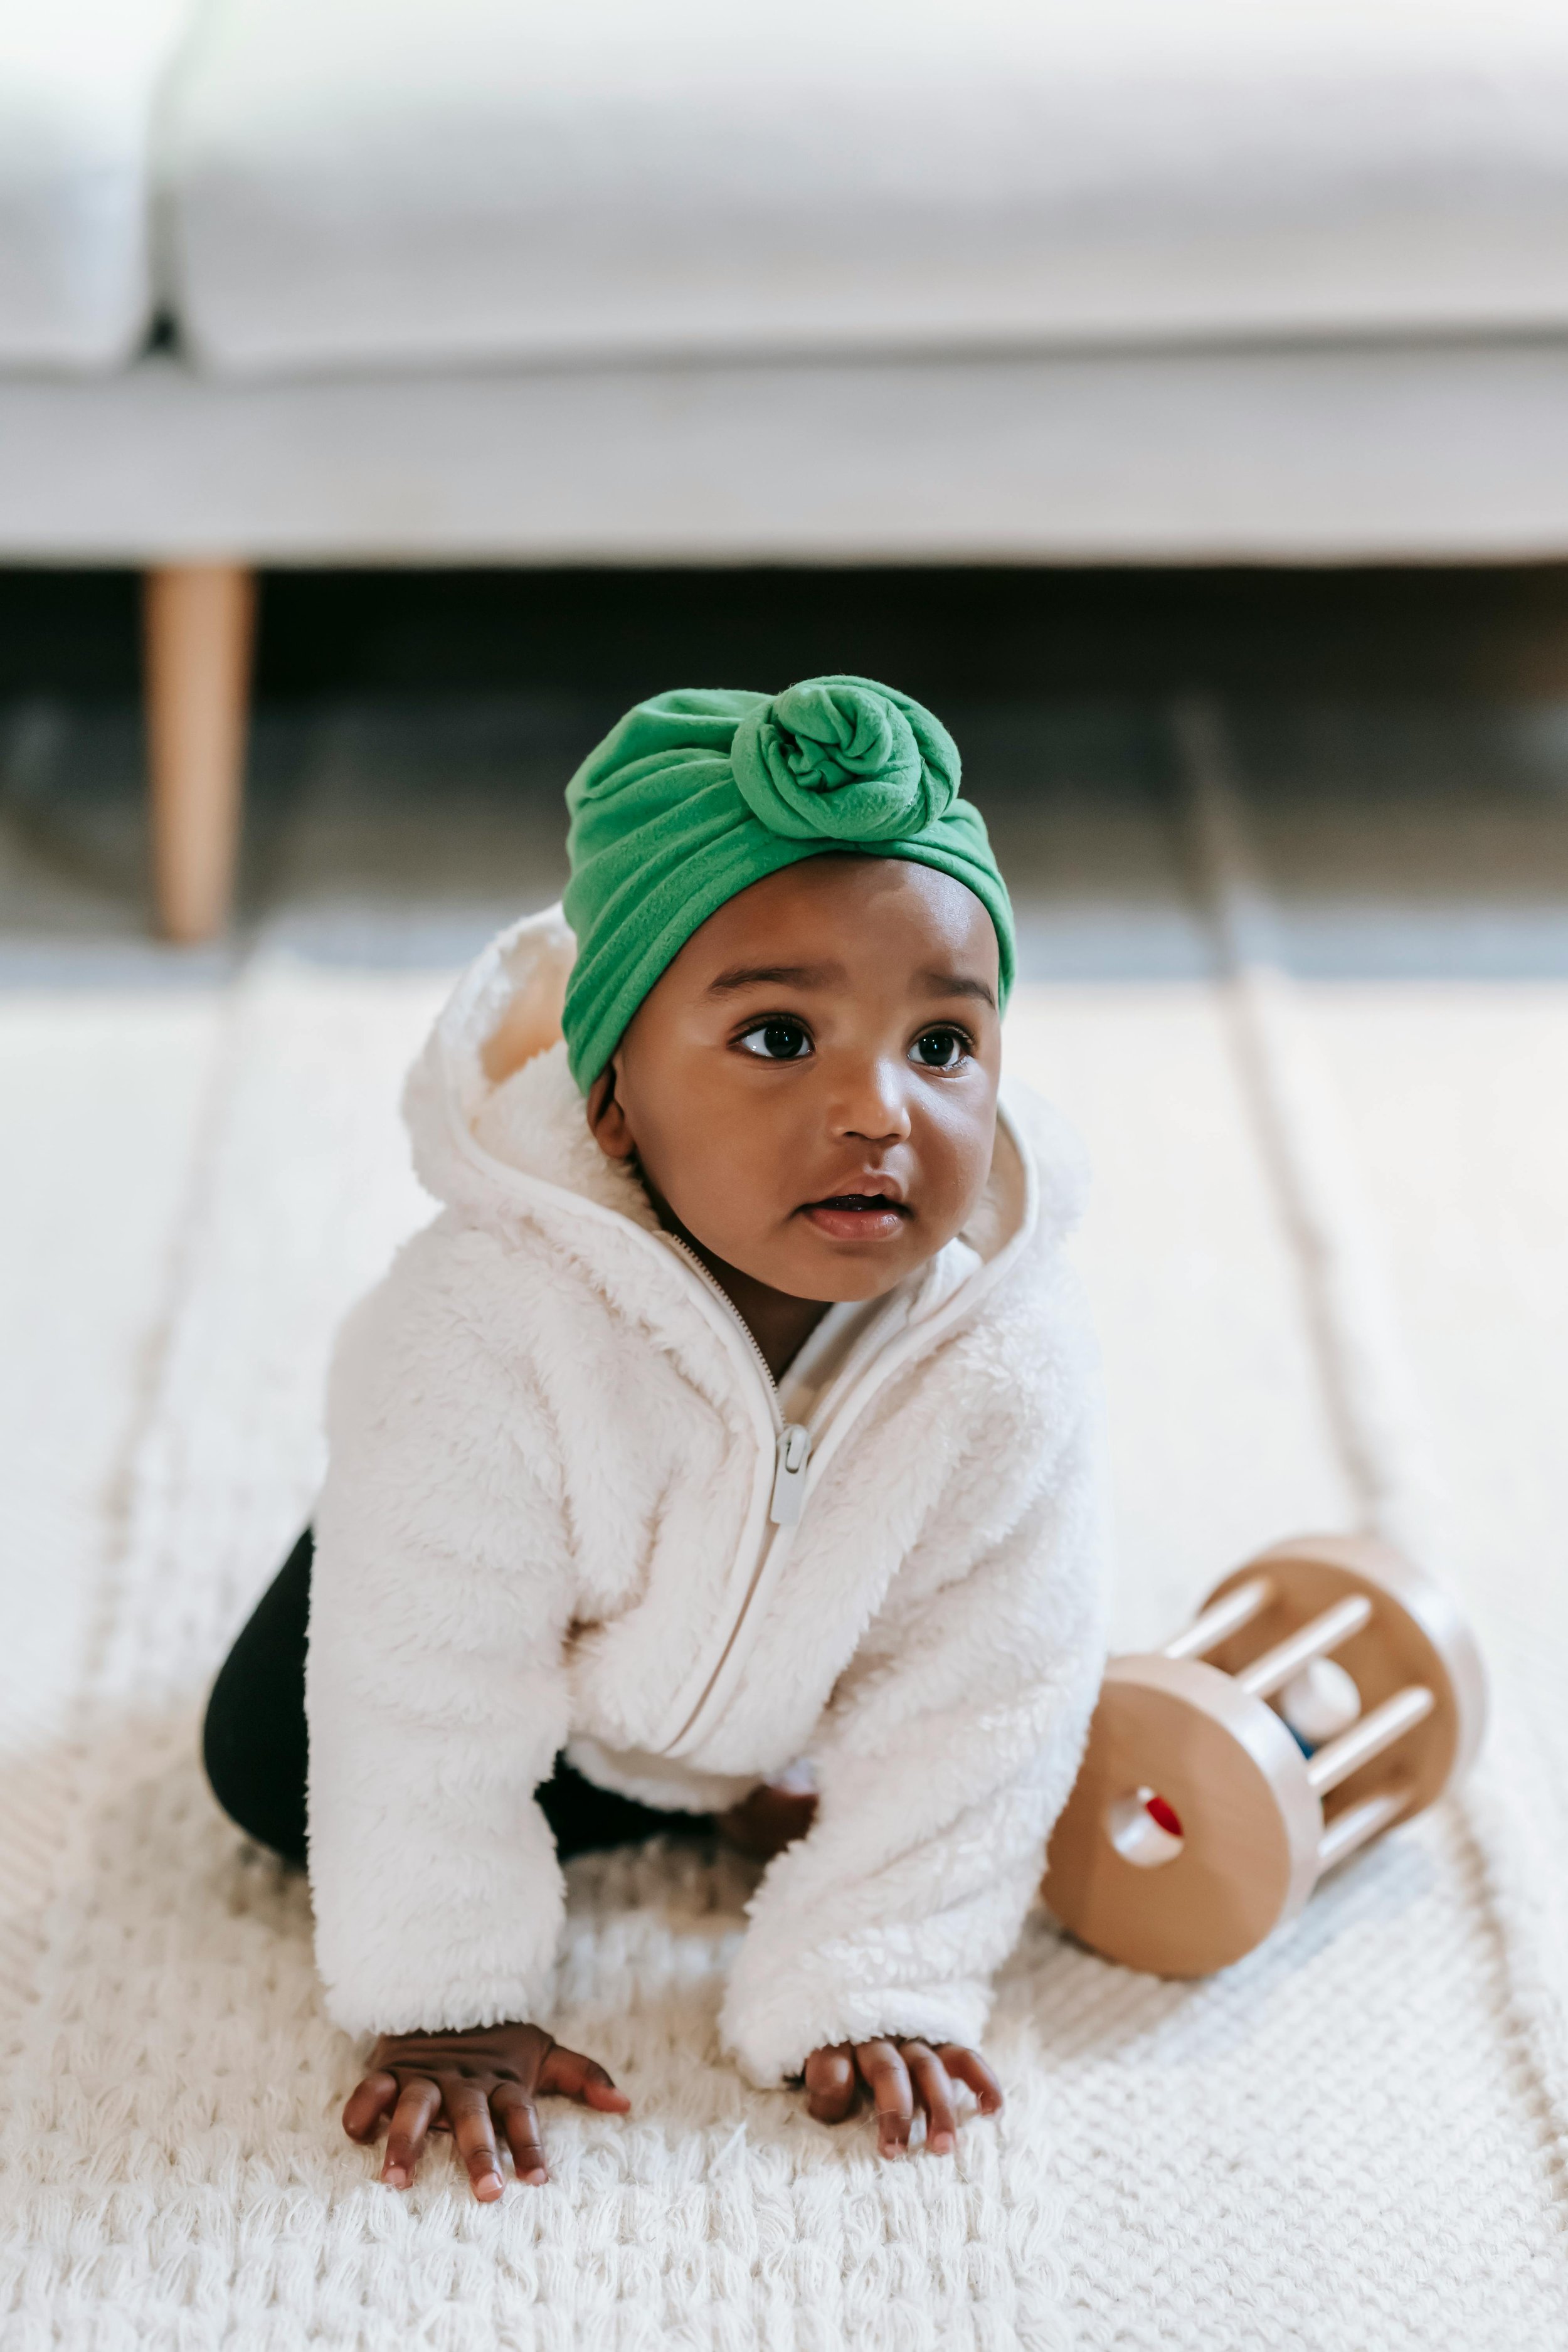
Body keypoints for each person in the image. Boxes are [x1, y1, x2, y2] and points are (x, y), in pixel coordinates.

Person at [203, 675, 1109, 2201]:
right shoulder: (489, 1325)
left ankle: (721, 1768)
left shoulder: (1001, 1364)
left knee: (899, 1711)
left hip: (764, 1648)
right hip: (491, 1587)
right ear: (613, 1097)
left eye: (941, 1045)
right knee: (270, 1771)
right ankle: (648, 1765)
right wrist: (452, 2000)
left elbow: (990, 1687)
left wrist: (877, 1968)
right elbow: (422, 1683)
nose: (877, 1110)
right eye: (777, 1035)